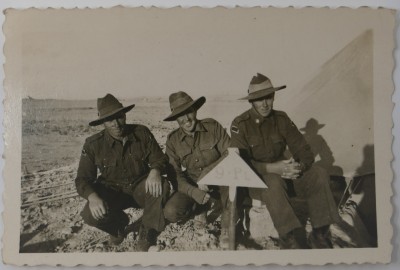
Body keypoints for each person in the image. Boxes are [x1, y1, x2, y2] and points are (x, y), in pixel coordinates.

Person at [230, 73, 341, 249]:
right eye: (259, 99)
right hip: (259, 182)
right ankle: (288, 239)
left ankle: (320, 234)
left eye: (269, 97)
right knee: (273, 180)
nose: (265, 103)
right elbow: (241, 164)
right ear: (251, 101)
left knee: (318, 173)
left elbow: (304, 151)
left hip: (285, 176)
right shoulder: (240, 124)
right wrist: (272, 168)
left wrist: (299, 166)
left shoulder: (281, 119)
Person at [75, 93, 170, 251]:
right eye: (109, 119)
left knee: (162, 186)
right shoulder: (93, 144)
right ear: (103, 122)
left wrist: (155, 170)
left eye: (119, 117)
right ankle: (117, 227)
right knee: (89, 215)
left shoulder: (141, 132)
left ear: (124, 115)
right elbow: (82, 179)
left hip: (140, 188)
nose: (116, 124)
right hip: (113, 193)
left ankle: (147, 230)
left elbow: (159, 158)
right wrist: (92, 197)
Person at [162, 91, 231, 248]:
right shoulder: (172, 141)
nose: (186, 119)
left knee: (232, 194)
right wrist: (194, 192)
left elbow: (231, 153)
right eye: (180, 115)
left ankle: (227, 227)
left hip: (221, 178)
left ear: (195, 111)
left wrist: (208, 173)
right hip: (194, 183)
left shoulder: (212, 127)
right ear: (175, 118)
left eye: (189, 112)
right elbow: (175, 175)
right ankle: (200, 208)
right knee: (171, 211)